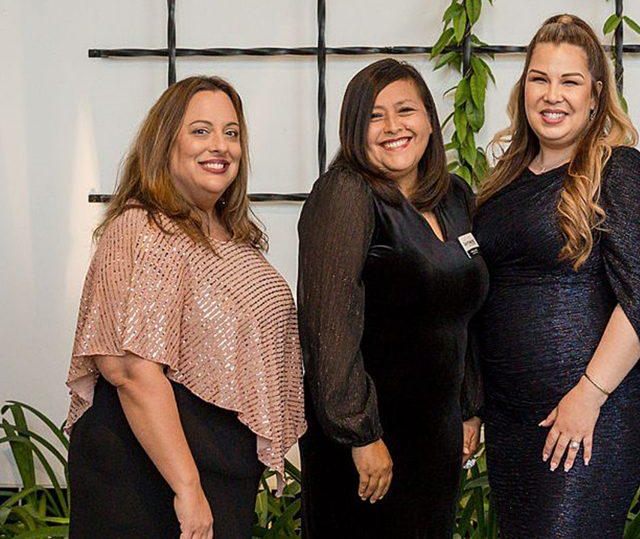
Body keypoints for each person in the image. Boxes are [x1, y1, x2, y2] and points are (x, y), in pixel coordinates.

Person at [65, 76, 305, 539]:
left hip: (217, 477)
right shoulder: (143, 228)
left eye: (231, 133)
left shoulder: (231, 238)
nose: (220, 146)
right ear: (165, 143)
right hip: (149, 482)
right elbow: (129, 370)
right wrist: (188, 488)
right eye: (201, 130)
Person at [471, 14, 640, 538]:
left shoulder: (619, 170)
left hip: (593, 413)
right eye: (539, 79)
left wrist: (588, 395)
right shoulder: (503, 180)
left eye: (570, 81)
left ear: (595, 94)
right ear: (523, 89)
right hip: (513, 419)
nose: (552, 95)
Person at [296, 58, 489, 538]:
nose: (393, 127)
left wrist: (468, 407)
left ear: (428, 119)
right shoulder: (346, 194)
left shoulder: (454, 197)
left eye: (405, 110)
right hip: (368, 438)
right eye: (374, 116)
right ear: (354, 130)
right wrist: (360, 433)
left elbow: (462, 315)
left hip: (434, 435)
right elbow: (327, 324)